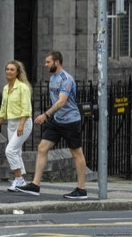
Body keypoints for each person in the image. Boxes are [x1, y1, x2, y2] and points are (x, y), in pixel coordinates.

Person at [16, 51, 88, 200]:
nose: (46, 64)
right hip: (57, 120)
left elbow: (61, 102)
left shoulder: (66, 79)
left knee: (76, 153)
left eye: (48, 62)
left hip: (70, 121)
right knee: (42, 147)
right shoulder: (53, 78)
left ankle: (81, 189)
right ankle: (35, 185)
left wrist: (45, 115)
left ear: (57, 62)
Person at [0, 60, 33, 192]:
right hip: (11, 123)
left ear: (17, 72)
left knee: (10, 150)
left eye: (12, 69)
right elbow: (3, 109)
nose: (8, 71)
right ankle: (21, 181)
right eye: (7, 69)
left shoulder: (23, 87)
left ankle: (19, 179)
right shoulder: (6, 88)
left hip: (23, 123)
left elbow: (26, 108)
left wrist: (21, 125)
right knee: (16, 151)